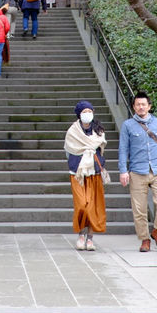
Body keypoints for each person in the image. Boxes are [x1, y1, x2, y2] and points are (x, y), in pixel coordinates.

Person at [118, 91, 157, 252]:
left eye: (143, 104)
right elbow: (123, 149)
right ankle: (145, 239)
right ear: (133, 107)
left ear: (149, 106)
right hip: (137, 171)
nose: (140, 107)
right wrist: (123, 171)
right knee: (139, 209)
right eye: (137, 104)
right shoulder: (127, 126)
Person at [64, 100, 108, 251]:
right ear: (79, 114)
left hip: (94, 172)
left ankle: (90, 237)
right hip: (78, 173)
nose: (87, 114)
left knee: (93, 206)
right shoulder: (72, 132)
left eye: (90, 111)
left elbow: (101, 149)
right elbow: (69, 150)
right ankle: (80, 234)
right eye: (84, 112)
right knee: (82, 205)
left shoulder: (99, 131)